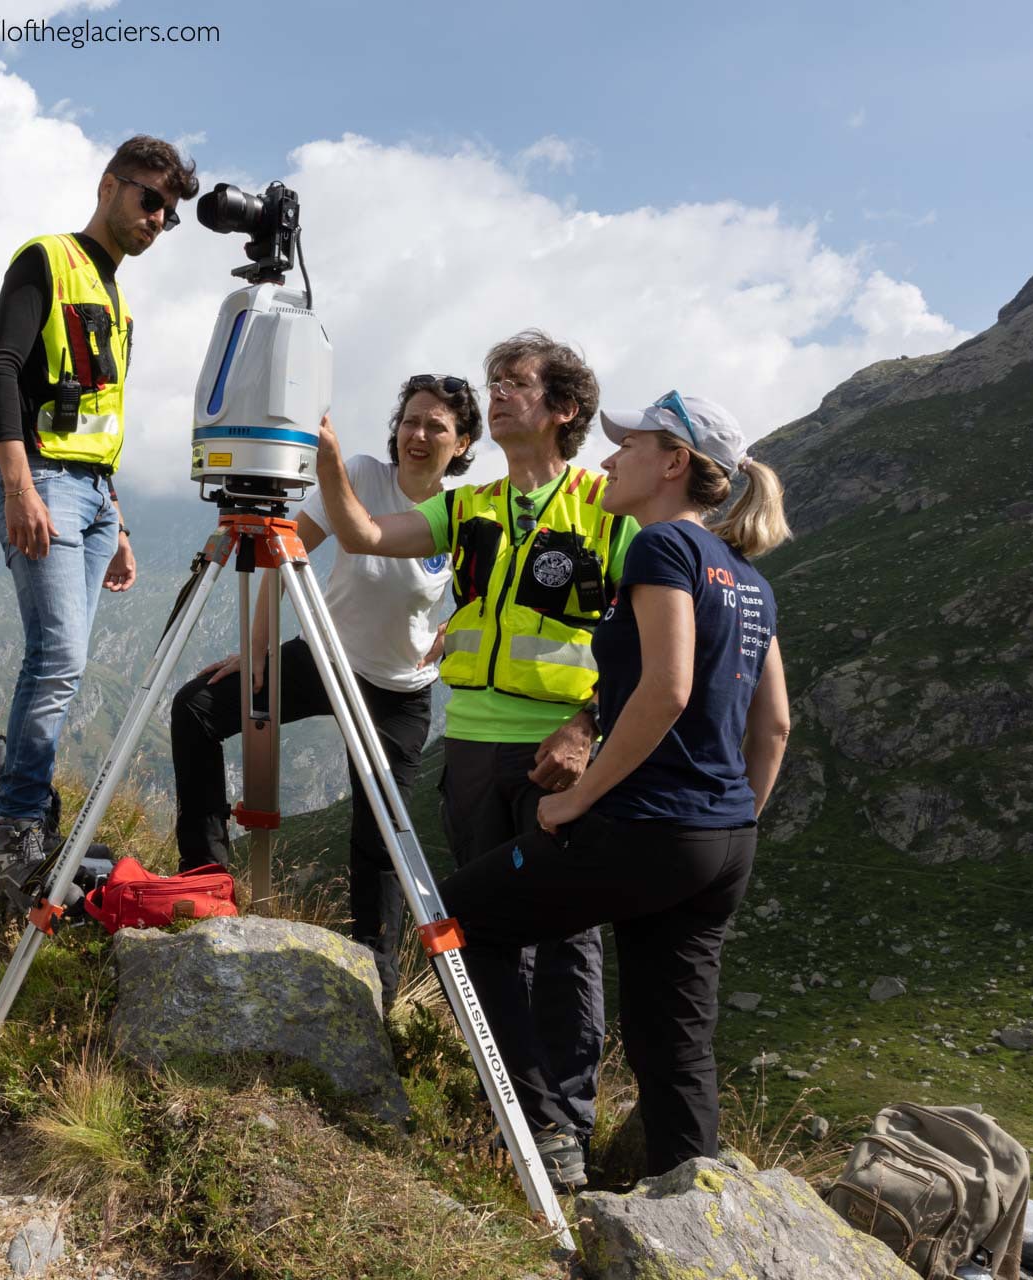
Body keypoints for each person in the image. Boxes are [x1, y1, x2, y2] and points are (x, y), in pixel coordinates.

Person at [437, 391, 792, 1186]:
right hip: (724, 839)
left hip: (646, 826)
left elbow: (662, 691)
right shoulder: (747, 577)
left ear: (673, 464)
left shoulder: (661, 548)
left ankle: (536, 1129)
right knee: (675, 1044)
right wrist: (731, 823)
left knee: (459, 919)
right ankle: (691, 1217)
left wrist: (578, 798)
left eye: (627, 447)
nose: (608, 461)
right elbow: (772, 729)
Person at [313, 331, 633, 1166]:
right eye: (492, 382)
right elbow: (360, 535)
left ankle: (564, 1125)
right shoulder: (470, 505)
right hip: (472, 745)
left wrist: (588, 725)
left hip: (558, 750)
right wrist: (326, 454)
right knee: (483, 927)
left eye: (515, 384)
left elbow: (652, 632)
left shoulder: (606, 508)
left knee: (565, 936)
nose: (495, 395)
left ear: (562, 409)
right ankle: (515, 1110)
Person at [169, 375, 481, 1006]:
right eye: (410, 420)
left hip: (399, 691)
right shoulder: (362, 475)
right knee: (197, 708)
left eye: (436, 427)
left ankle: (374, 986)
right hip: (324, 653)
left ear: (462, 442)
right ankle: (206, 881)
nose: (417, 435)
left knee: (381, 833)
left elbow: (492, 589)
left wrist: (453, 629)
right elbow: (288, 556)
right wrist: (258, 650)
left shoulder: (465, 511)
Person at [0, 135, 199, 904]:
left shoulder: (114, 292)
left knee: (62, 668)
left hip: (94, 496)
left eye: (168, 215)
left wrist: (120, 518)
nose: (158, 220)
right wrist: (17, 483)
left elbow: (99, 417)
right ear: (110, 185)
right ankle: (14, 841)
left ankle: (32, 823)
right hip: (39, 480)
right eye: (150, 200)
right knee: (59, 658)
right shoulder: (46, 258)